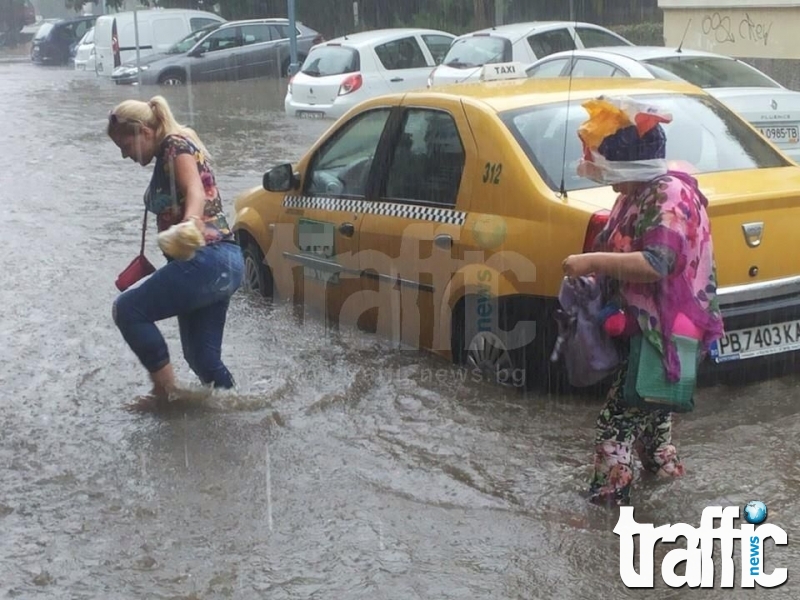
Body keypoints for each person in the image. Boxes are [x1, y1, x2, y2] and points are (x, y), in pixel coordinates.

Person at [561, 96, 724, 506]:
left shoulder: (666, 196)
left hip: (664, 335)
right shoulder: (638, 194)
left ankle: (608, 512)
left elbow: (658, 262)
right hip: (651, 333)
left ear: (628, 165)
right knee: (652, 419)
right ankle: (670, 504)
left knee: (615, 426)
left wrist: (589, 261)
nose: (609, 183)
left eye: (610, 171)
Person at [107, 95, 243, 405]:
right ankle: (236, 411)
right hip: (225, 264)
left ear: (143, 131)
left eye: (125, 147)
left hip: (206, 260)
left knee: (128, 311)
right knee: (201, 360)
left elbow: (194, 189)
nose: (125, 157)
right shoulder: (177, 145)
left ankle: (165, 395)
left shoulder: (174, 146)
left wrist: (192, 220)